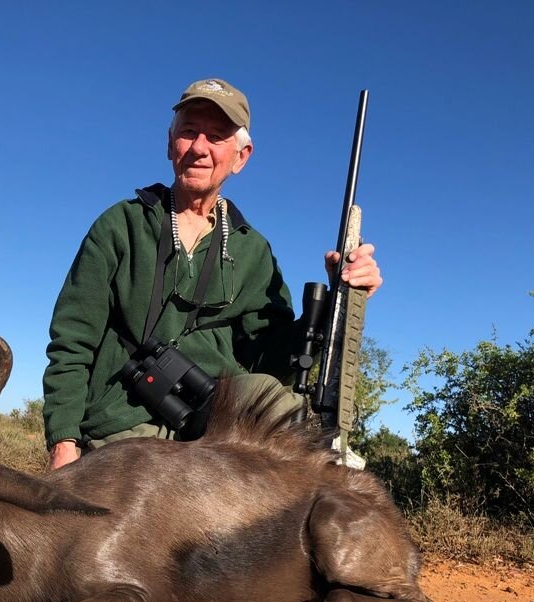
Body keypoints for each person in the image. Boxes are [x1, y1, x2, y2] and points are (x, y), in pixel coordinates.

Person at [43, 78, 382, 470]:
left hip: (218, 429)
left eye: (217, 136)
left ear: (241, 157)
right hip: (123, 427)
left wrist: (338, 304)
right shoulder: (121, 225)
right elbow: (72, 341)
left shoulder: (252, 250)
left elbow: (274, 360)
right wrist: (64, 444)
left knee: (309, 470)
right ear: (171, 143)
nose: (199, 148)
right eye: (189, 132)